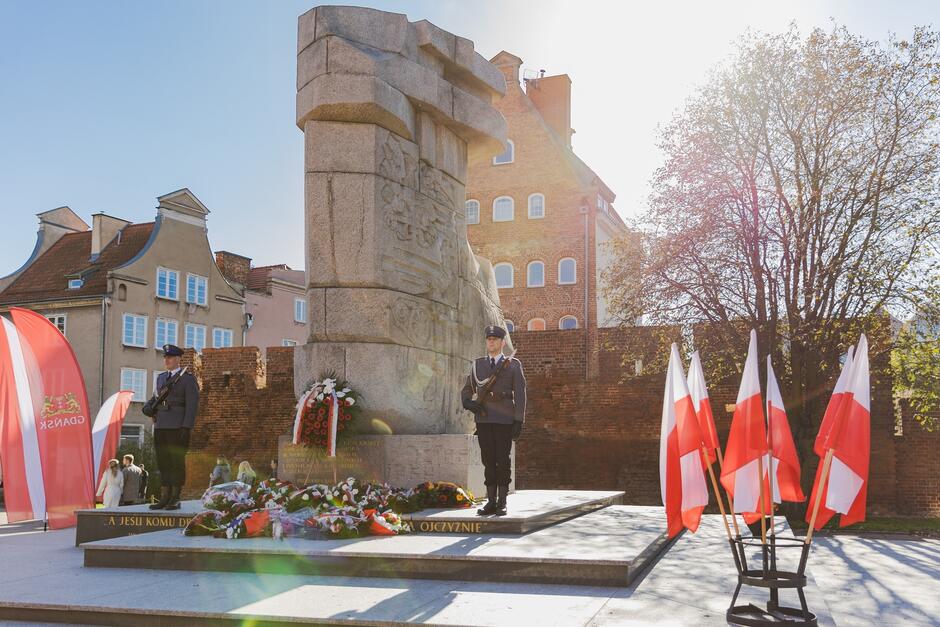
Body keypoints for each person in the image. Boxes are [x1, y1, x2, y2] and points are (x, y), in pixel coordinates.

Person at [460, 325, 526, 516]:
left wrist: (518, 420)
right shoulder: (478, 365)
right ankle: (491, 501)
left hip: (505, 419)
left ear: (502, 342)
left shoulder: (513, 365)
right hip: (484, 419)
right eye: (489, 339)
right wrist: (467, 402)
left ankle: (502, 502)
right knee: (488, 461)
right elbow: (467, 388)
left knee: (502, 461)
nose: (491, 342)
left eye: (495, 339)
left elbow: (520, 395)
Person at [149, 344, 199, 511]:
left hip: (177, 426)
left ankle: (175, 497)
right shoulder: (161, 378)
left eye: (170, 357)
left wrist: (186, 427)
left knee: (176, 462)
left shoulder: (187, 379)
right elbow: (157, 399)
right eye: (165, 357)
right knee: (163, 462)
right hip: (161, 425)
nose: (167, 360)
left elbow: (192, 405)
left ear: (178, 359)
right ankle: (165, 496)